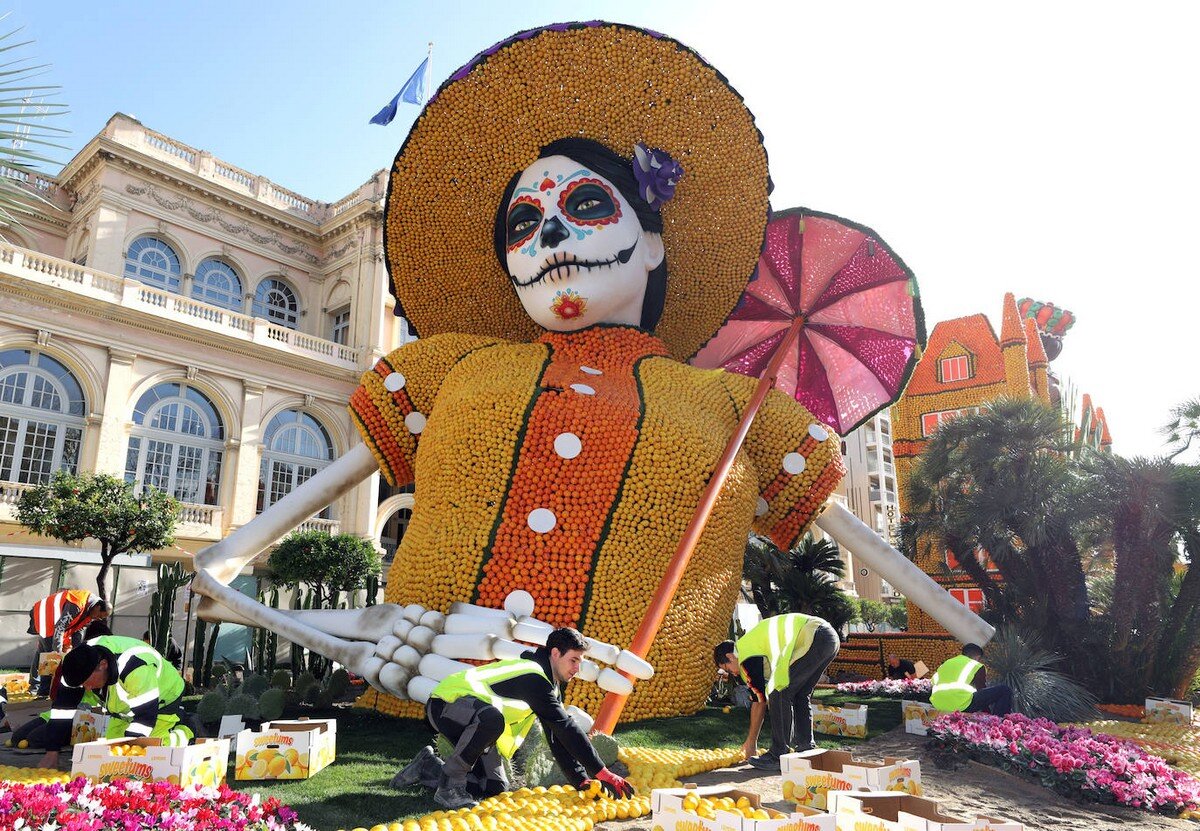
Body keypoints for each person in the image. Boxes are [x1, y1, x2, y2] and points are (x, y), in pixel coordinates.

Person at [391, 627, 634, 810]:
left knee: (495, 788)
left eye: (580, 662)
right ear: (556, 653)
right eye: (573, 660)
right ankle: (450, 788)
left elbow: (557, 736)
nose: (577, 669)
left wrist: (581, 780)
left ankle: (427, 766)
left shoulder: (549, 684)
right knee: (492, 720)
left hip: (476, 720)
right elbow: (565, 726)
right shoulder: (534, 677)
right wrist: (602, 772)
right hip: (446, 705)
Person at [33, 635, 194, 768]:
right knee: (108, 758)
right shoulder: (76, 666)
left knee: (149, 752)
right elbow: (62, 711)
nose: (87, 689)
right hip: (123, 709)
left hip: (162, 700)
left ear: (102, 665)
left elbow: (145, 717)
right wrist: (52, 751)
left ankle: (184, 731)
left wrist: (128, 751)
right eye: (82, 685)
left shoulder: (134, 667)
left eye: (88, 682)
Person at [713, 612, 841, 772]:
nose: (732, 674)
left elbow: (759, 701)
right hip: (828, 637)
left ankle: (778, 755)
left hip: (815, 636)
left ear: (730, 656)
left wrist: (751, 742)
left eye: (727, 669)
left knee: (778, 691)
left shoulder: (746, 655)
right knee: (800, 694)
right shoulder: (751, 646)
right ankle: (806, 749)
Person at [27, 590, 111, 695]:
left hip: (53, 622)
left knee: (42, 654)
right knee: (50, 659)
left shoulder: (90, 611)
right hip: (47, 617)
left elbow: (79, 631)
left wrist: (77, 651)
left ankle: (35, 687)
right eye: (100, 616)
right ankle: (43, 692)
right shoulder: (78, 603)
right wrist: (57, 651)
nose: (98, 619)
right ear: (98, 608)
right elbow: (61, 626)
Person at [930, 643, 1012, 716]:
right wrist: (987, 712)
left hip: (937, 703)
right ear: (977, 657)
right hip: (961, 705)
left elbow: (933, 682)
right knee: (1004, 690)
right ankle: (998, 723)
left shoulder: (947, 663)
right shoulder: (976, 665)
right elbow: (981, 689)